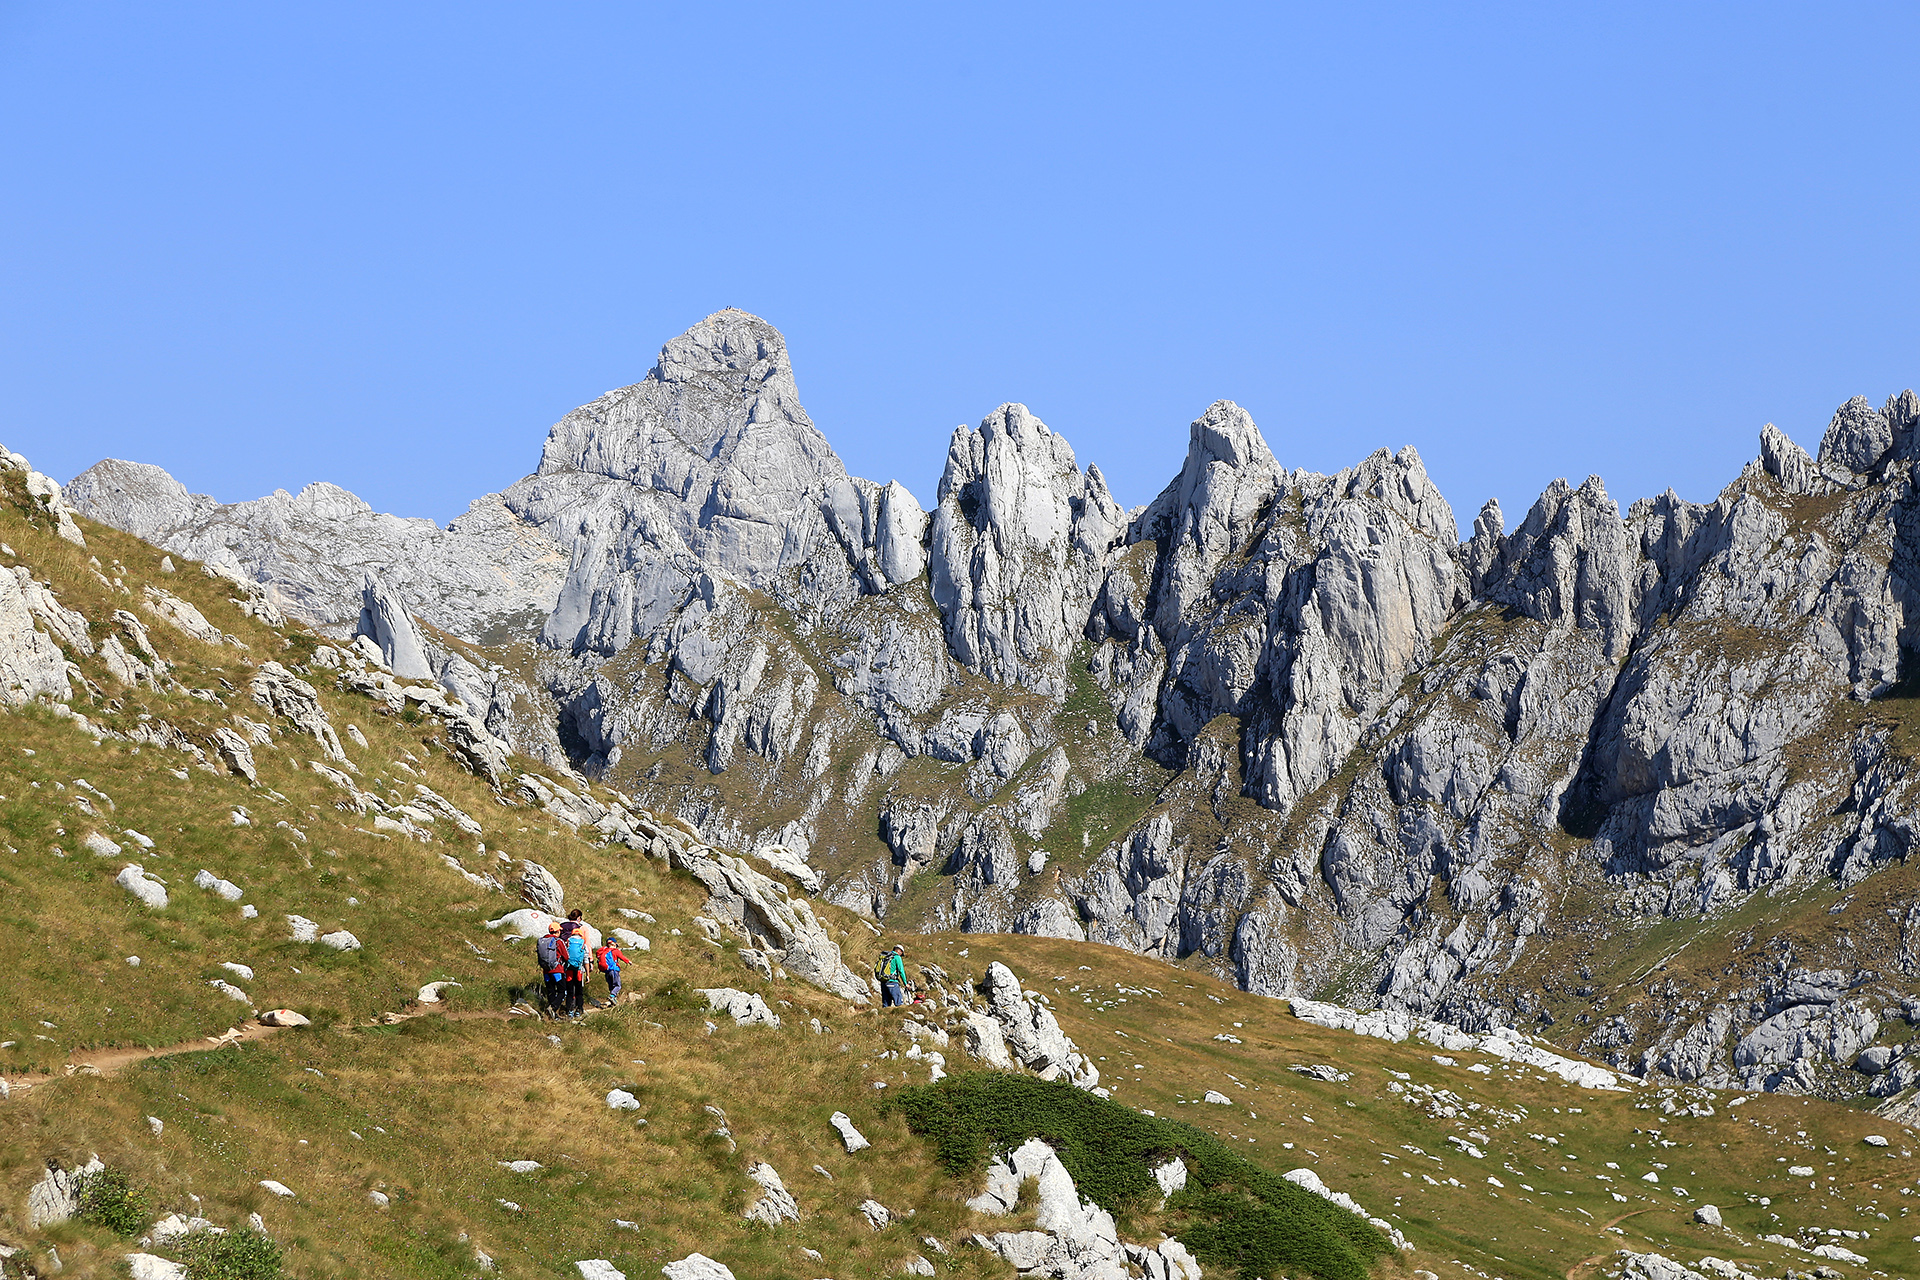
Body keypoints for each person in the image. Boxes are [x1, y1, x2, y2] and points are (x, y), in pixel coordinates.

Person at [535, 922, 565, 1018]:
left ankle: (553, 1015)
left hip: (546, 970)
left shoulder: (542, 941)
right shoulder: (558, 941)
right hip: (557, 970)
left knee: (551, 991)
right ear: (557, 931)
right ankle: (553, 1007)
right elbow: (566, 956)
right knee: (562, 991)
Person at [593, 936, 631, 1007]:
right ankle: (612, 996)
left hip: (606, 971)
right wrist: (628, 961)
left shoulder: (603, 951)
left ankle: (612, 1001)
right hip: (614, 970)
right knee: (617, 985)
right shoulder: (615, 951)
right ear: (615, 944)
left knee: (611, 986)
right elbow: (622, 957)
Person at [562, 922, 589, 1018]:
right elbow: (586, 960)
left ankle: (569, 1010)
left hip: (568, 970)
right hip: (579, 971)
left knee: (570, 991)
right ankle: (578, 1009)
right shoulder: (583, 943)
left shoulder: (568, 942)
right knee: (579, 991)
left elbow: (564, 957)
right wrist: (588, 974)